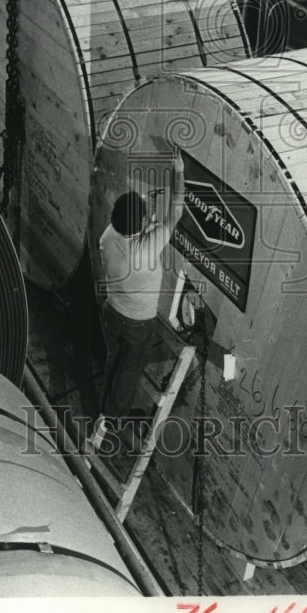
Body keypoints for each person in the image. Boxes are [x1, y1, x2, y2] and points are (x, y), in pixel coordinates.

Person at [91, 148, 185, 450]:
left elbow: (129, 216)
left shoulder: (109, 236)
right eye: (145, 218)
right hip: (137, 323)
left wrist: (143, 208)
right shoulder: (148, 246)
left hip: (111, 312)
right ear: (143, 226)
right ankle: (107, 421)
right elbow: (177, 212)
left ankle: (104, 402)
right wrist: (178, 173)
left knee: (113, 360)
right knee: (128, 372)